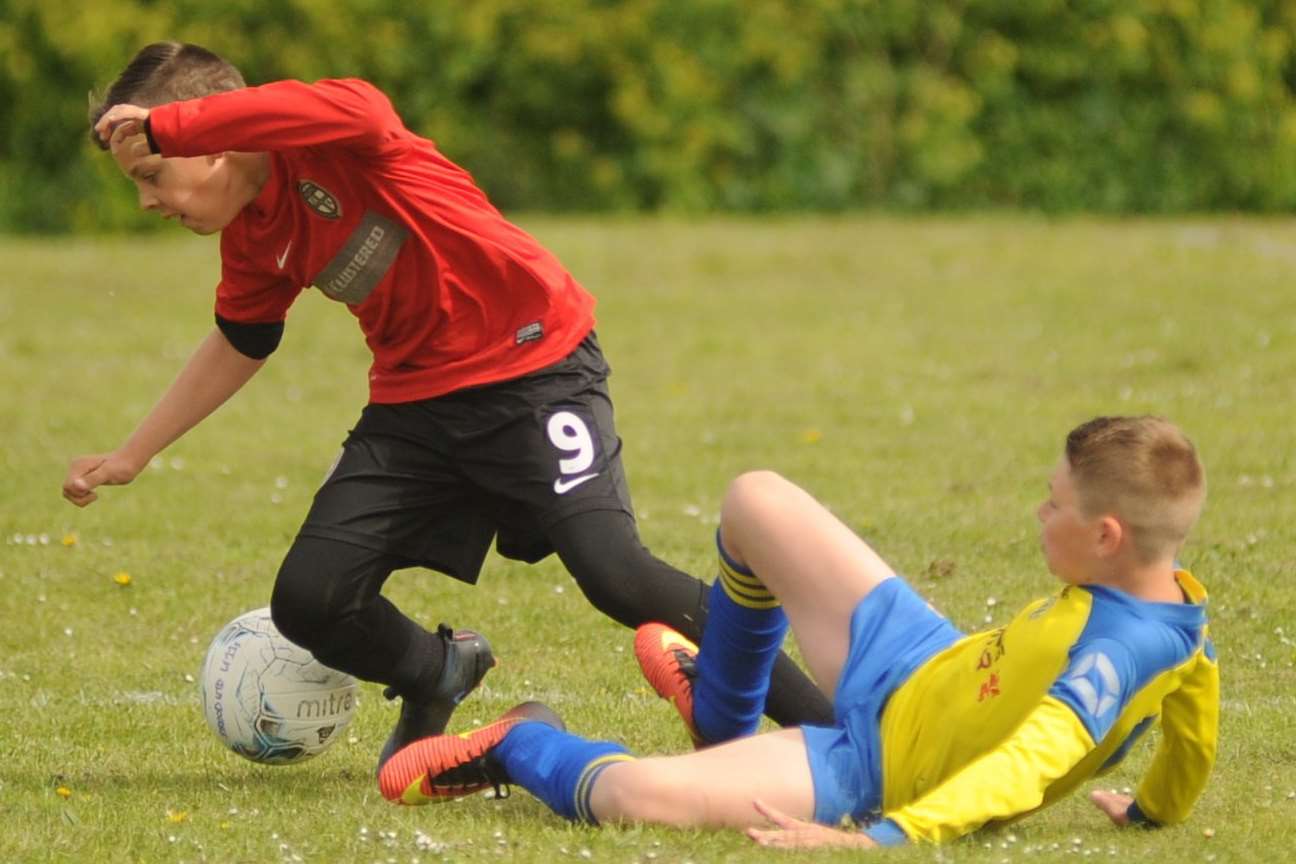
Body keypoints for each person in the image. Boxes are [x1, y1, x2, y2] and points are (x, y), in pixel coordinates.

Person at [65, 41, 832, 771]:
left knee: (616, 576)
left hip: (538, 369)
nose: (144, 201)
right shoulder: (253, 237)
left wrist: (167, 123)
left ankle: (835, 729)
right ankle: (437, 670)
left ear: (212, 137)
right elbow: (241, 339)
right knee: (312, 599)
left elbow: (362, 106)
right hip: (416, 410)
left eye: (153, 174)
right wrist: (135, 452)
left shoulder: (336, 142)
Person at [379, 415, 1218, 849]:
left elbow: (1024, 766)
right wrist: (1152, 811)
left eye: (1055, 502)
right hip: (921, 658)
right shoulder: (1176, 611)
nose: (1040, 512)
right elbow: (1194, 737)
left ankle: (525, 742)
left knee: (636, 796)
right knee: (755, 499)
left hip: (873, 769)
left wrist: (893, 834)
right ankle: (722, 712)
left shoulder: (1123, 653)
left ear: (1108, 536)